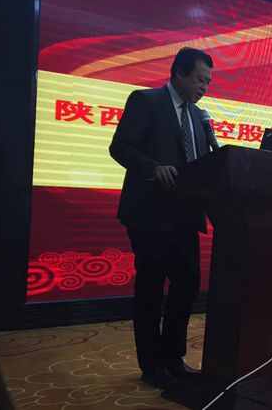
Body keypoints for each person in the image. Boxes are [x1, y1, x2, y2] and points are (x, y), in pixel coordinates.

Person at [109, 47, 215, 388]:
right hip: (150, 213)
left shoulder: (199, 117)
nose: (204, 87)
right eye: (200, 79)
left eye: (208, 82)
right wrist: (153, 168)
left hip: (185, 215)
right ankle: (151, 365)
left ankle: (173, 358)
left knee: (187, 285)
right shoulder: (146, 101)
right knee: (151, 288)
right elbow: (120, 147)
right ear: (179, 73)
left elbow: (203, 163)